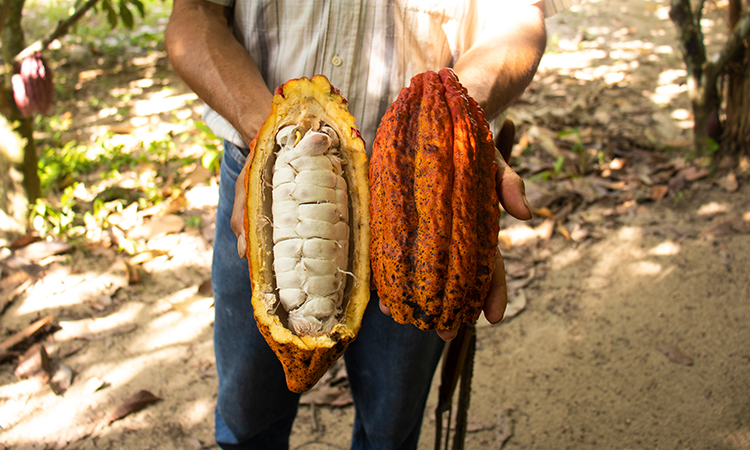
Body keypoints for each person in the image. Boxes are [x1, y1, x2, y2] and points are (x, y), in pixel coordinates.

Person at [165, 1, 568, 448]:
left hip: (422, 192)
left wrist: (449, 127)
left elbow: (516, 19)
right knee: (246, 415)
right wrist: (274, 141)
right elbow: (196, 12)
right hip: (273, 171)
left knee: (390, 428)